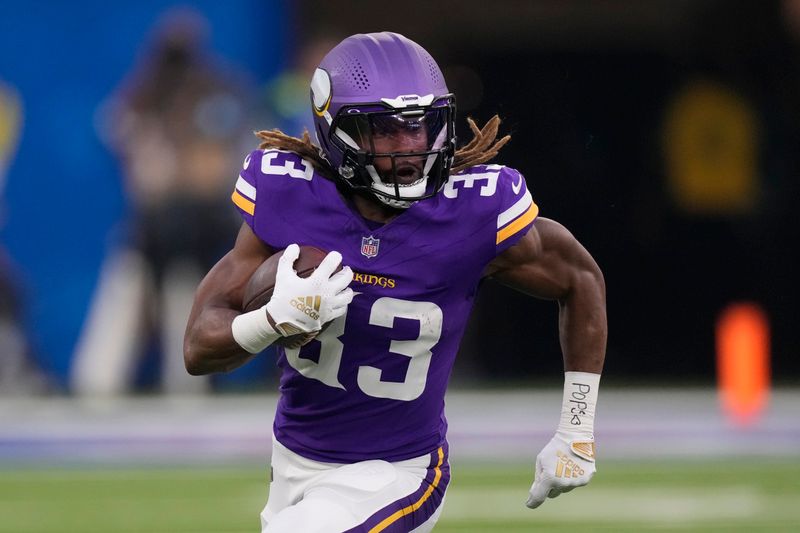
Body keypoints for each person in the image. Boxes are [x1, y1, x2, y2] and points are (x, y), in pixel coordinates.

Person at [184, 32, 606, 532]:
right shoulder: (289, 197)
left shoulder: (471, 211)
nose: (411, 147)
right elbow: (197, 347)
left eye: (423, 128)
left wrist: (576, 429)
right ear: (335, 132)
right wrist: (269, 321)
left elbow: (579, 278)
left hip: (400, 473)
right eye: (386, 131)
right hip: (292, 465)